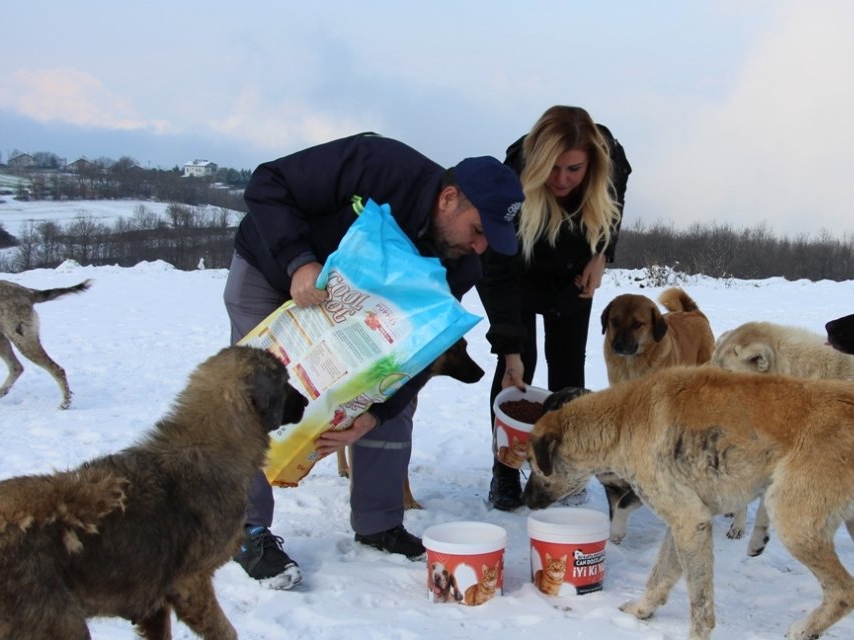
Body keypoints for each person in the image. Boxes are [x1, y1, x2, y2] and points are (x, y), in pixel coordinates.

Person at [224, 132, 524, 589]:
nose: (480, 248)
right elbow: (268, 184)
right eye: (479, 231)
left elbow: (421, 347)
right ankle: (245, 530)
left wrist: (376, 412)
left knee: (391, 406)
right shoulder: (377, 164)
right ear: (448, 199)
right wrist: (299, 262)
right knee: (251, 394)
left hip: (359, 318)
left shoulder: (460, 264)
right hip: (276, 270)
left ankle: (379, 522)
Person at [477, 106, 631, 510]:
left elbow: (616, 202)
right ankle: (505, 471)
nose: (562, 180)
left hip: (572, 274)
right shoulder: (513, 175)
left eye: (574, 170)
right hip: (517, 271)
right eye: (553, 169)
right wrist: (510, 349)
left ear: (592, 165)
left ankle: (564, 466)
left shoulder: (607, 160)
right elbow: (498, 270)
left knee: (567, 371)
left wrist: (602, 253)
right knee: (517, 371)